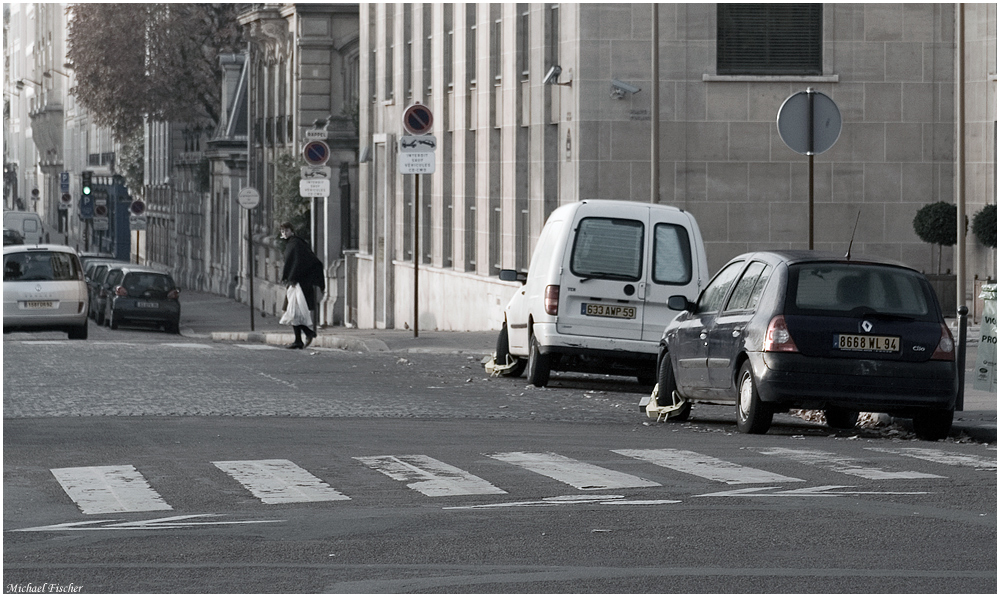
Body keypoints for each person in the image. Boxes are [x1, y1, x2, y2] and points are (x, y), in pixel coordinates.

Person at [279, 222, 325, 349]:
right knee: (293, 312)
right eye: (282, 231)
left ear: (292, 230)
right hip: (294, 282)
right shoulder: (292, 244)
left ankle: (307, 334)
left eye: (286, 230)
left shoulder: (296, 244)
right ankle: (299, 339)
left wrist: (293, 276)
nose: (284, 233)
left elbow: (300, 262)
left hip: (299, 284)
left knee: (293, 312)